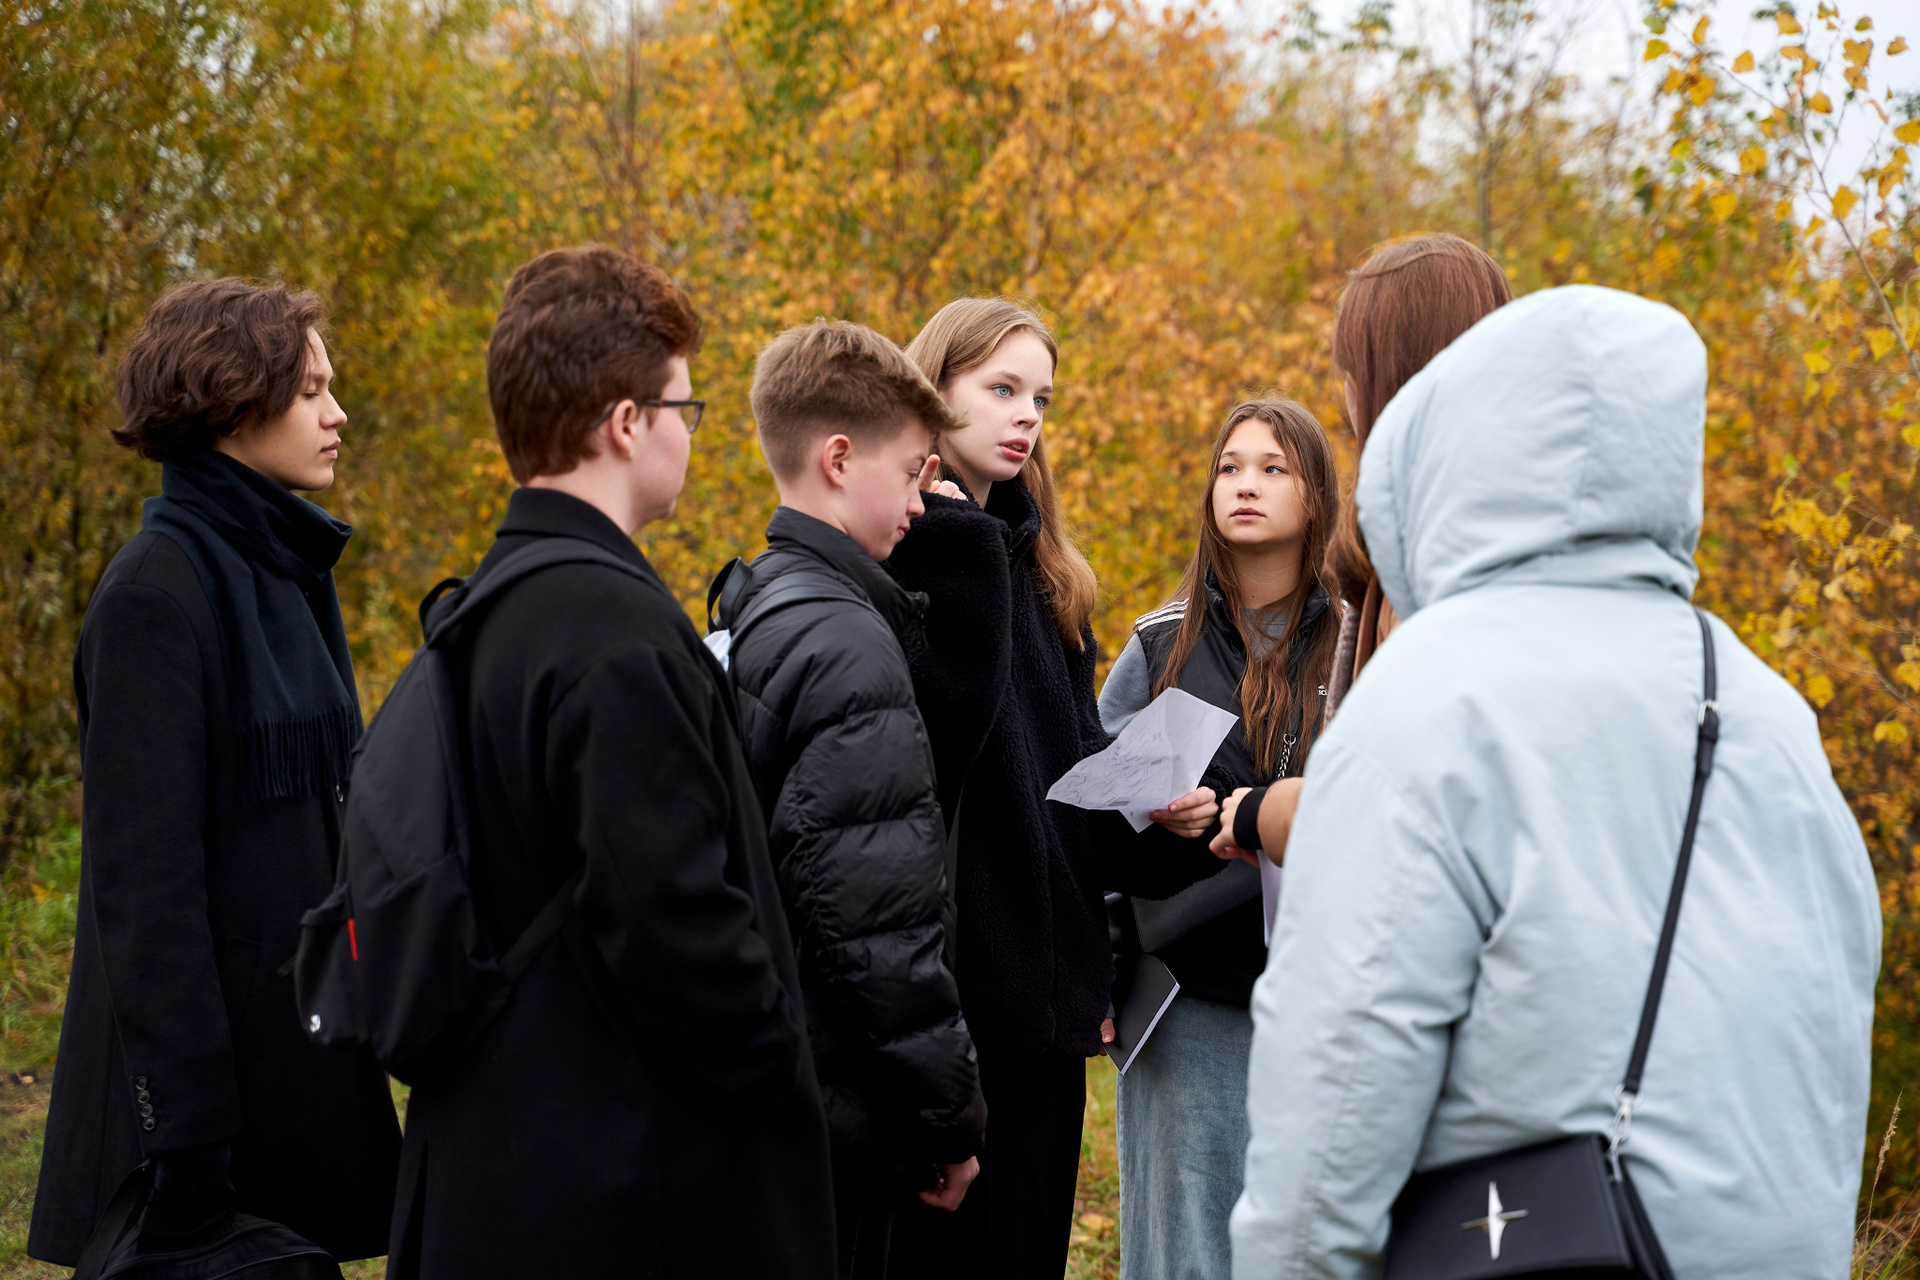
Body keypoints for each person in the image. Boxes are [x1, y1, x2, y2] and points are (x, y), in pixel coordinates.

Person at [1230, 285, 1881, 1278]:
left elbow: (1335, 1096)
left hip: (1529, 1248)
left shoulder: (1430, 698)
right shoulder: (1767, 705)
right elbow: (1832, 1030)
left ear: (1447, 451)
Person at [384, 247, 834, 1279]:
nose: (689, 432)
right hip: (612, 1184)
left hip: (501, 1158)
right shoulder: (610, 629)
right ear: (627, 423)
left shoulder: (490, 604)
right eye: (685, 406)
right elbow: (675, 922)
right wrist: (783, 1070)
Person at [30, 281, 401, 1266]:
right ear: (235, 404)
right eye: (311, 391)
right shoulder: (154, 595)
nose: (337, 413)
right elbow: (146, 898)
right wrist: (188, 1149)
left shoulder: (286, 571)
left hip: (295, 1056)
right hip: (202, 1118)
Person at [884, 297, 1221, 1279]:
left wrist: (1161, 821)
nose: (1027, 415)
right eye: (1001, 389)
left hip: (1045, 1012)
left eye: (1041, 397)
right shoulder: (901, 557)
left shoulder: (1046, 579)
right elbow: (931, 762)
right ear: (931, 392)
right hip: (946, 1008)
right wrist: (959, 538)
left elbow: (1070, 797)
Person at [724, 320, 989, 1279]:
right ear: (838, 459)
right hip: (839, 1112)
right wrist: (949, 1118)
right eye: (913, 472)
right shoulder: (845, 643)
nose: (921, 502)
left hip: (785, 1092)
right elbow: (875, 927)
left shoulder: (765, 599)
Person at [1096, 400, 1338, 1280]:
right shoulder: (1162, 644)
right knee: (1186, 1253)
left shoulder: (1357, 644)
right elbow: (1094, 820)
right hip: (1187, 995)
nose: (1246, 484)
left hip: (1323, 1001)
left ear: (1316, 496)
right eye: (1230, 467)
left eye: (1273, 468)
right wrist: (1157, 817)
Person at [1217, 232, 1512, 863]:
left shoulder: (1441, 566)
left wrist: (1266, 815)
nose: (1347, 391)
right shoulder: (1445, 536)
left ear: (1396, 375)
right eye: (1229, 468)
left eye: (1355, 364)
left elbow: (1402, 807)